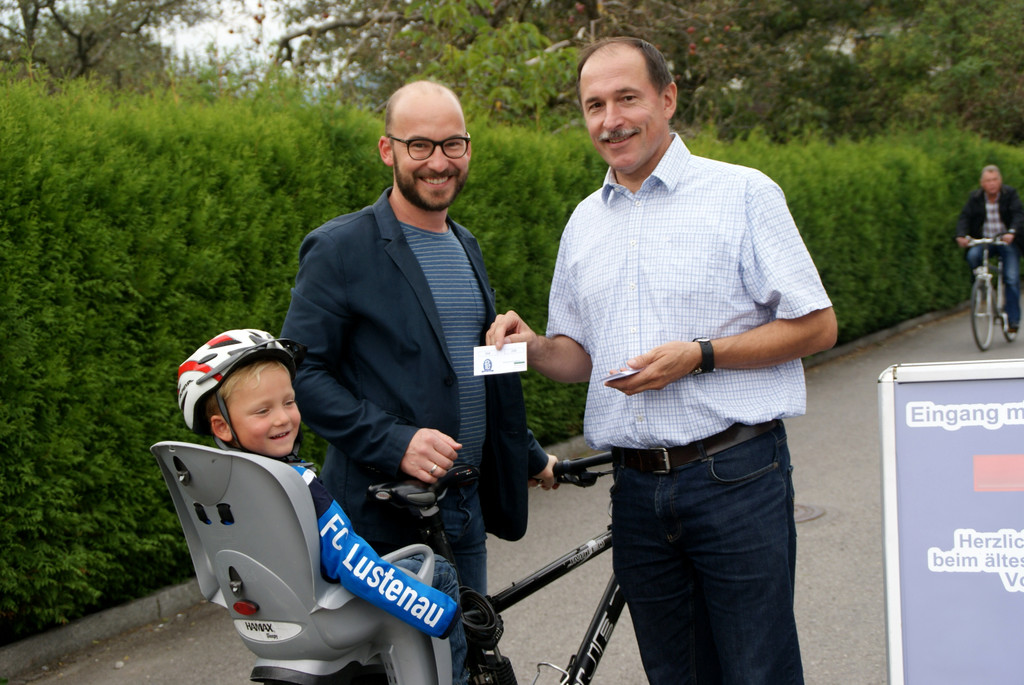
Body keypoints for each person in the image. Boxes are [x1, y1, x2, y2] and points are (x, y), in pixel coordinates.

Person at [486, 37, 837, 685]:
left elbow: (817, 324)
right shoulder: (584, 223)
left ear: (668, 98)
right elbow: (578, 358)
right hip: (639, 491)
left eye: (627, 98)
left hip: (737, 473)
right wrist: (532, 347)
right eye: (595, 104)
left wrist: (700, 356)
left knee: (758, 671)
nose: (610, 119)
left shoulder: (743, 194)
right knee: (674, 674)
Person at [280, 81, 556, 595]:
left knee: (467, 668)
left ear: (468, 148)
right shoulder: (340, 249)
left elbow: (464, 372)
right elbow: (301, 378)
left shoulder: (465, 243)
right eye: (420, 145)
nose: (439, 161)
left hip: (463, 512)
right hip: (383, 524)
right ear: (389, 150)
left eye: (452, 144)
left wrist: (531, 456)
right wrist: (394, 441)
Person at [176, 328, 467, 683]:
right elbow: (352, 563)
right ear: (221, 426)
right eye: (263, 410)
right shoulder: (293, 483)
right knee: (437, 571)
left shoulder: (223, 492)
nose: (283, 418)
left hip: (266, 625)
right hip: (329, 614)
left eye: (289, 402)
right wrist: (435, 611)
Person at [955, 164, 1024, 333]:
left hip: (1005, 241)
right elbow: (965, 217)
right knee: (972, 256)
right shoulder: (975, 198)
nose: (992, 184)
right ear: (982, 183)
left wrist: (1012, 232)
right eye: (988, 181)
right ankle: (982, 284)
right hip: (985, 241)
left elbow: (1018, 215)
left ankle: (1013, 320)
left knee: (1011, 278)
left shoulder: (1010, 194)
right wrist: (961, 235)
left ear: (1000, 181)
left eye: (994, 180)